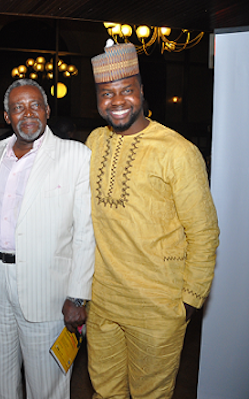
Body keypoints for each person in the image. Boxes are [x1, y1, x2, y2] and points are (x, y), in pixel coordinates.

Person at [85, 41, 220, 399]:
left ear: (141, 92)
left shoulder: (178, 151)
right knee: (104, 393)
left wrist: (189, 300)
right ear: (97, 99)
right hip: (102, 302)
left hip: (157, 305)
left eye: (126, 90)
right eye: (106, 93)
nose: (116, 101)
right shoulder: (94, 142)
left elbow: (204, 233)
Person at [0, 79, 95, 399]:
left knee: (48, 385)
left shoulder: (76, 156)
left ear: (47, 110)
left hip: (48, 292)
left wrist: (78, 296)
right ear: (6, 116)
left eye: (34, 106)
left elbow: (86, 232)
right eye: (18, 108)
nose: (27, 113)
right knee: (0, 378)